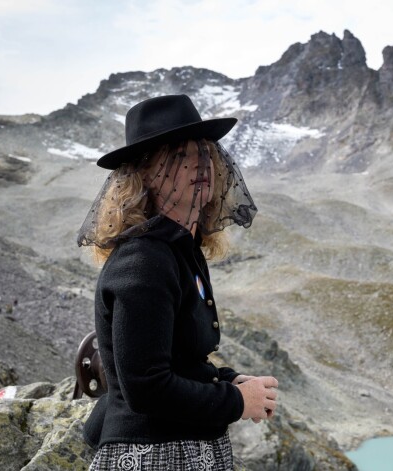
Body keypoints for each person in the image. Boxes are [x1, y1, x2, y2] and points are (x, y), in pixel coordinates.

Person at [77, 95, 279, 471]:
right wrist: (236, 402)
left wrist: (230, 380)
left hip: (180, 448)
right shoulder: (144, 261)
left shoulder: (178, 249)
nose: (200, 164)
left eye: (205, 153)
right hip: (152, 456)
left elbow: (179, 359)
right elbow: (146, 387)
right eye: (178, 155)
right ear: (145, 174)